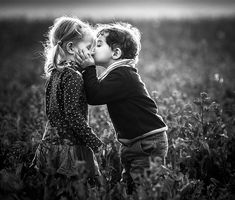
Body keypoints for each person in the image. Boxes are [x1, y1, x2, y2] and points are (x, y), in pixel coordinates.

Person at [78, 22, 168, 194]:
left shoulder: (123, 75)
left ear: (116, 53)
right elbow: (94, 92)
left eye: (98, 44)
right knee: (130, 185)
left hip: (147, 143)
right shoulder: (117, 73)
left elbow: (95, 96)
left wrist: (88, 68)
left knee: (144, 187)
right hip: (135, 142)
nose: (93, 49)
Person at [31, 16, 103, 199]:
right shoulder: (74, 76)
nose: (92, 53)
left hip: (51, 143)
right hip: (70, 145)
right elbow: (73, 114)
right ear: (71, 48)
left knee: (54, 190)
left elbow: (50, 111)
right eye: (88, 48)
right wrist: (94, 141)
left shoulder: (55, 72)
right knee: (75, 191)